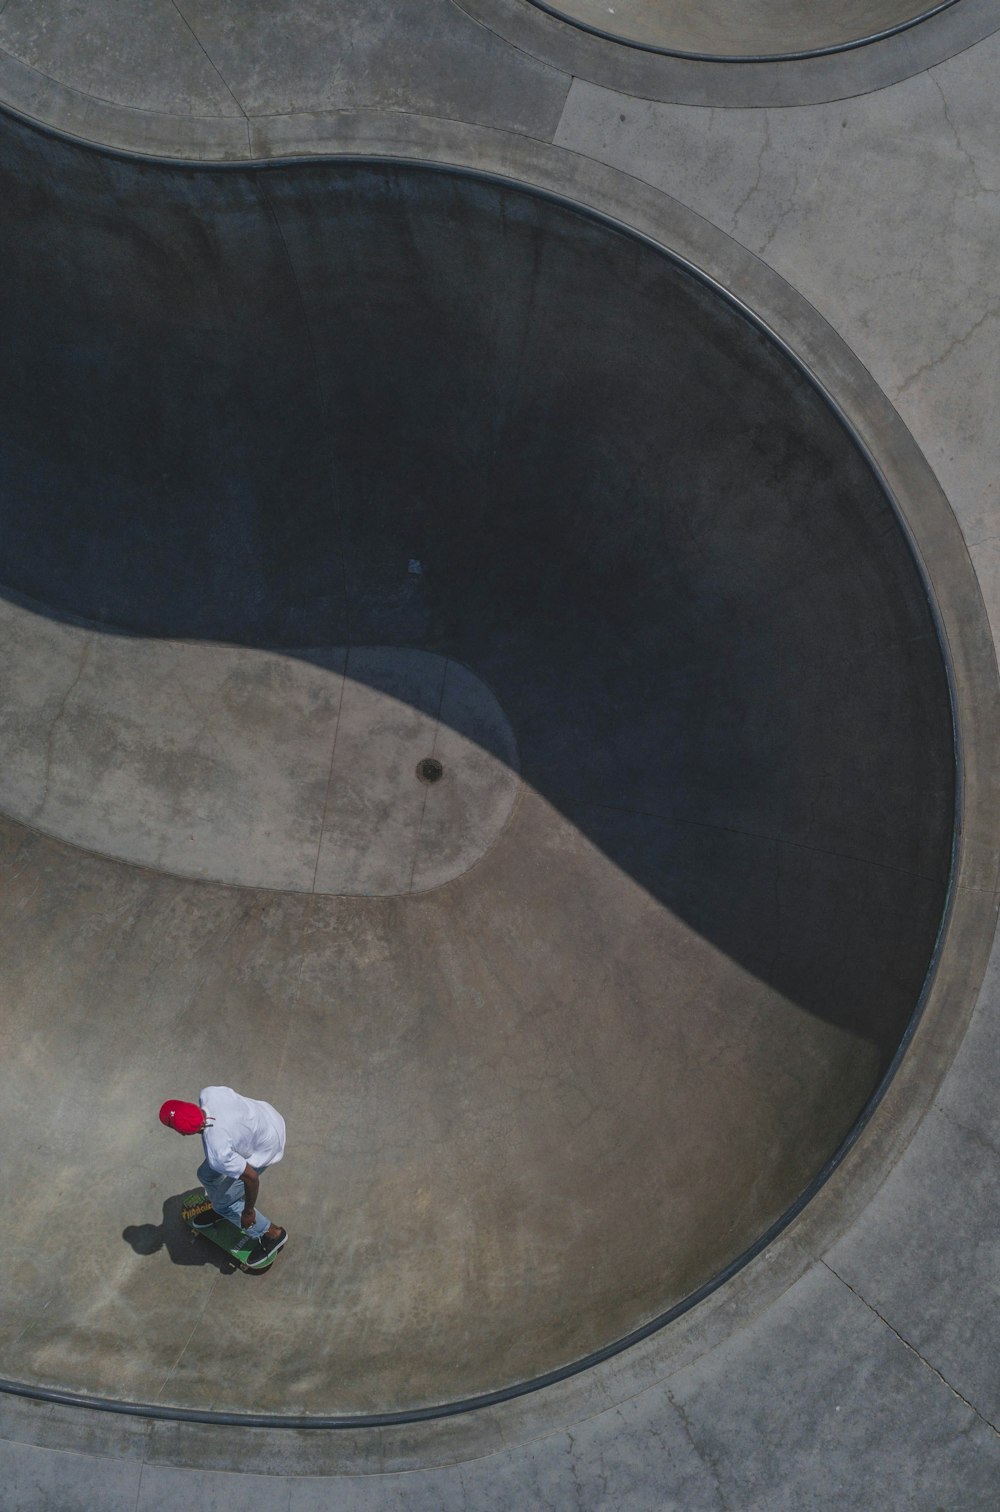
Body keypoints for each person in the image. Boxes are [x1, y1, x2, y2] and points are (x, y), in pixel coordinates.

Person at [160, 1086, 287, 1269]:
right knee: (205, 1174)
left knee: (223, 1202)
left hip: (267, 1148)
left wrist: (248, 1211)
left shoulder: (218, 1152)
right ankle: (223, 1208)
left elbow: (251, 1178)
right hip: (266, 1119)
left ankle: (272, 1233)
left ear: (182, 1133)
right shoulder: (209, 1093)